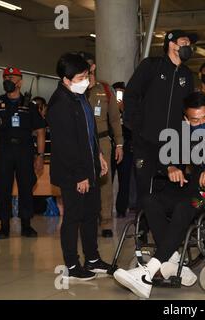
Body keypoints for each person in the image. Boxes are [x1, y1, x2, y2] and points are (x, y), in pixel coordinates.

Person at [114, 91, 205, 298]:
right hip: (192, 189)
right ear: (186, 119)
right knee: (149, 200)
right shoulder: (181, 133)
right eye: (195, 120)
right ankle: (172, 260)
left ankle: (148, 272)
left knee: (186, 205)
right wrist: (171, 167)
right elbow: (163, 159)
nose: (201, 124)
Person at [47, 53, 110, 281]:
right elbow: (67, 146)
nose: (86, 80)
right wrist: (80, 175)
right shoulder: (59, 104)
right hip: (73, 172)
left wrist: (99, 156)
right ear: (66, 79)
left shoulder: (79, 96)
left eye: (87, 75)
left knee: (91, 214)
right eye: (82, 76)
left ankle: (92, 259)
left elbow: (89, 132)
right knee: (73, 217)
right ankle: (72, 265)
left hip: (88, 166)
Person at [123, 29, 196, 215]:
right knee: (145, 189)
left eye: (189, 43)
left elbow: (188, 109)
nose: (188, 46)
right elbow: (131, 94)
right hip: (146, 141)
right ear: (171, 44)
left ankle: (166, 229)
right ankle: (142, 232)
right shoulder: (151, 66)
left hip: (173, 142)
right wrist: (136, 126)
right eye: (184, 42)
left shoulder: (187, 75)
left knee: (171, 187)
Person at [0, 67, 46, 239]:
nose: (8, 80)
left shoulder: (30, 105)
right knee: (3, 187)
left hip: (24, 151)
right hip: (2, 151)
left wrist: (40, 156)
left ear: (20, 82)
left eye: (12, 77)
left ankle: (26, 225)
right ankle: (4, 226)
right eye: (5, 77)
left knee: (26, 187)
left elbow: (41, 131)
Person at [79, 52, 124, 238]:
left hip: (103, 141)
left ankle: (105, 220)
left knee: (104, 182)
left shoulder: (104, 89)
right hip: (81, 142)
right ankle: (85, 218)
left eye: (87, 64)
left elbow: (114, 119)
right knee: (82, 180)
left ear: (93, 67)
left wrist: (119, 144)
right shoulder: (76, 89)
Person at [111, 81, 134, 218]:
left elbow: (133, 127)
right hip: (111, 146)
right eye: (117, 92)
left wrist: (123, 110)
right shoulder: (107, 107)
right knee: (107, 178)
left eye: (122, 92)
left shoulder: (130, 109)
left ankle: (121, 208)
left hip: (126, 146)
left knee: (124, 179)